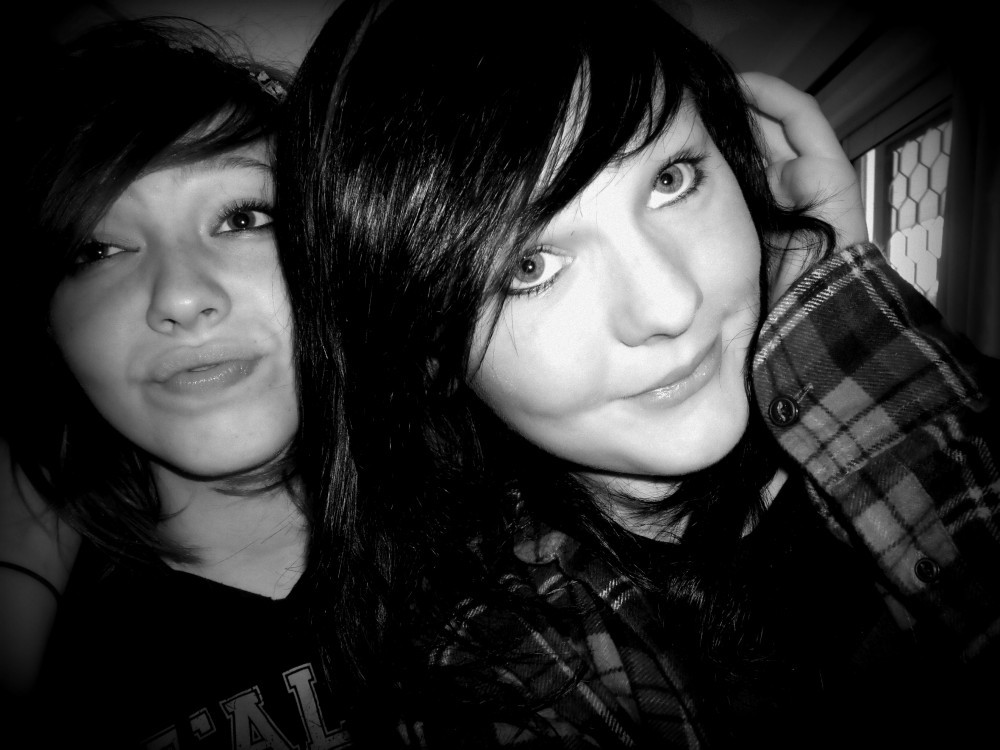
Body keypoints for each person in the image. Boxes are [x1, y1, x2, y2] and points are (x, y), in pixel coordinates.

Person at [276, 0, 999, 746]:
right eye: (529, 266)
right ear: (427, 353)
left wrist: (836, 300)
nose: (669, 303)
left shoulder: (934, 413)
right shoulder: (492, 670)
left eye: (671, 180)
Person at [2, 18, 353, 748]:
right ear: (50, 328)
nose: (181, 297)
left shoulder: (521, 515)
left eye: (243, 218)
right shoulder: (62, 681)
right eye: (97, 251)